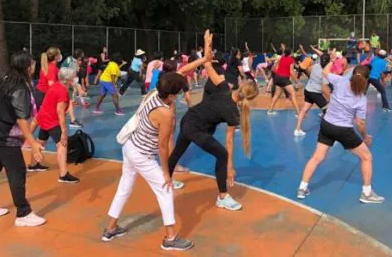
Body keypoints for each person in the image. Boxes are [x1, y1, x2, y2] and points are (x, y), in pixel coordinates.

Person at [168, 32, 259, 211]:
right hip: (196, 128)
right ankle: (223, 196)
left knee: (177, 152)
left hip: (189, 119)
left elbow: (207, 64)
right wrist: (230, 167)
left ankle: (165, 182)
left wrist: (207, 43)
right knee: (222, 155)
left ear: (241, 87)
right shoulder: (234, 113)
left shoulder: (224, 86)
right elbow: (229, 141)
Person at [102, 72, 193, 250]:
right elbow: (162, 147)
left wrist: (203, 59)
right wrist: (167, 173)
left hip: (130, 147)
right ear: (172, 95)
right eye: (178, 93)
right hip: (142, 155)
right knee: (165, 189)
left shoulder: (153, 93)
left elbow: (177, 75)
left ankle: (110, 228)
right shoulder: (165, 114)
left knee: (125, 187)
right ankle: (170, 238)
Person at [297, 63, 384, 204]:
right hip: (343, 130)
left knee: (317, 157)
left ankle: (302, 188)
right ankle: (366, 193)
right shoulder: (361, 98)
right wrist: (365, 136)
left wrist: (332, 60)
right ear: (366, 80)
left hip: (326, 125)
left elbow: (324, 71)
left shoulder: (340, 81)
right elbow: (360, 123)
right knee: (367, 157)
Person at [0, 51, 46, 227]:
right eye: (33, 63)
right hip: (4, 134)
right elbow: (21, 119)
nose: (34, 66)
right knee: (17, 171)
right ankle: (23, 213)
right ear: (28, 67)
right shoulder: (20, 88)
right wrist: (32, 143)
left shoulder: (7, 78)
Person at [29, 67, 80, 183]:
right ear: (67, 80)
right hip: (51, 119)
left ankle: (33, 164)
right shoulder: (62, 91)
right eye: (73, 77)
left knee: (41, 141)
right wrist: (64, 130)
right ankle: (63, 174)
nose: (75, 78)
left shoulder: (57, 85)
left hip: (44, 116)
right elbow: (60, 112)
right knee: (62, 145)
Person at [294, 54, 331, 137]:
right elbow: (324, 89)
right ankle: (329, 134)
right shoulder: (325, 72)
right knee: (328, 112)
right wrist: (331, 98)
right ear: (328, 62)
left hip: (307, 90)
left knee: (304, 109)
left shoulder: (315, 65)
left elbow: (309, 71)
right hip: (315, 93)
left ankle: (297, 130)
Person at [267, 48, 300, 116]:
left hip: (277, 78)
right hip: (284, 79)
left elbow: (272, 60)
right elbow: (291, 72)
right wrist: (296, 80)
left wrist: (269, 59)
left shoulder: (281, 58)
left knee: (276, 95)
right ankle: (298, 113)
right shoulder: (291, 60)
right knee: (293, 94)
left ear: (284, 53)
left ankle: (270, 111)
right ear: (290, 53)